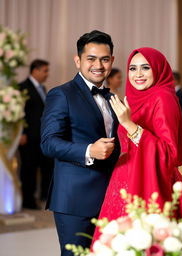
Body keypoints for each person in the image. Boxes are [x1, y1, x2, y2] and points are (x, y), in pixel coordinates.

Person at [93, 47, 182, 255]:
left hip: (151, 180)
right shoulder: (134, 99)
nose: (138, 74)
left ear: (158, 69)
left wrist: (130, 125)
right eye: (133, 68)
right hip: (125, 180)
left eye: (145, 68)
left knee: (151, 242)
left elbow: (169, 153)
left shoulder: (163, 98)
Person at [40, 30, 120, 255]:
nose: (99, 65)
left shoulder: (113, 97)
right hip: (74, 199)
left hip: (110, 198)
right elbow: (48, 143)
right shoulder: (61, 94)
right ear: (78, 61)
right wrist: (89, 150)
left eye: (105, 59)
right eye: (91, 59)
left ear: (112, 61)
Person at [18, 59, 54, 209]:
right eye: (45, 71)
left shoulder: (42, 88)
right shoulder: (22, 87)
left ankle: (44, 196)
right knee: (29, 170)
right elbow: (19, 114)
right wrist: (22, 132)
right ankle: (28, 201)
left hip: (42, 136)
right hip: (29, 137)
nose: (47, 74)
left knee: (47, 167)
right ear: (35, 70)